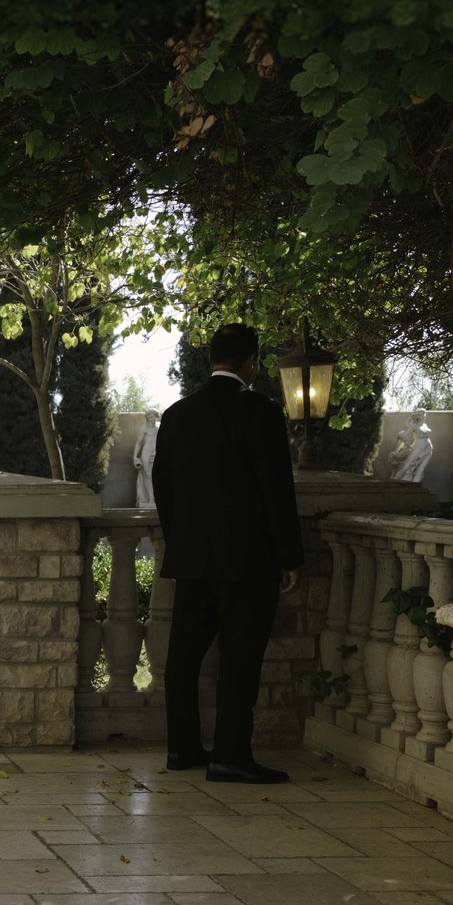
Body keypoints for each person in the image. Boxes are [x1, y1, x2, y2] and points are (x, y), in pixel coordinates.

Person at [151, 322, 303, 783]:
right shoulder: (261, 412)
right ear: (251, 361)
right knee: (239, 660)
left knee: (183, 659)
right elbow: (276, 492)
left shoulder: (177, 415)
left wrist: (177, 548)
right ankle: (231, 756)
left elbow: (163, 488)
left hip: (192, 561)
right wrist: (289, 557)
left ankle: (182, 749)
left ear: (212, 359)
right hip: (247, 562)